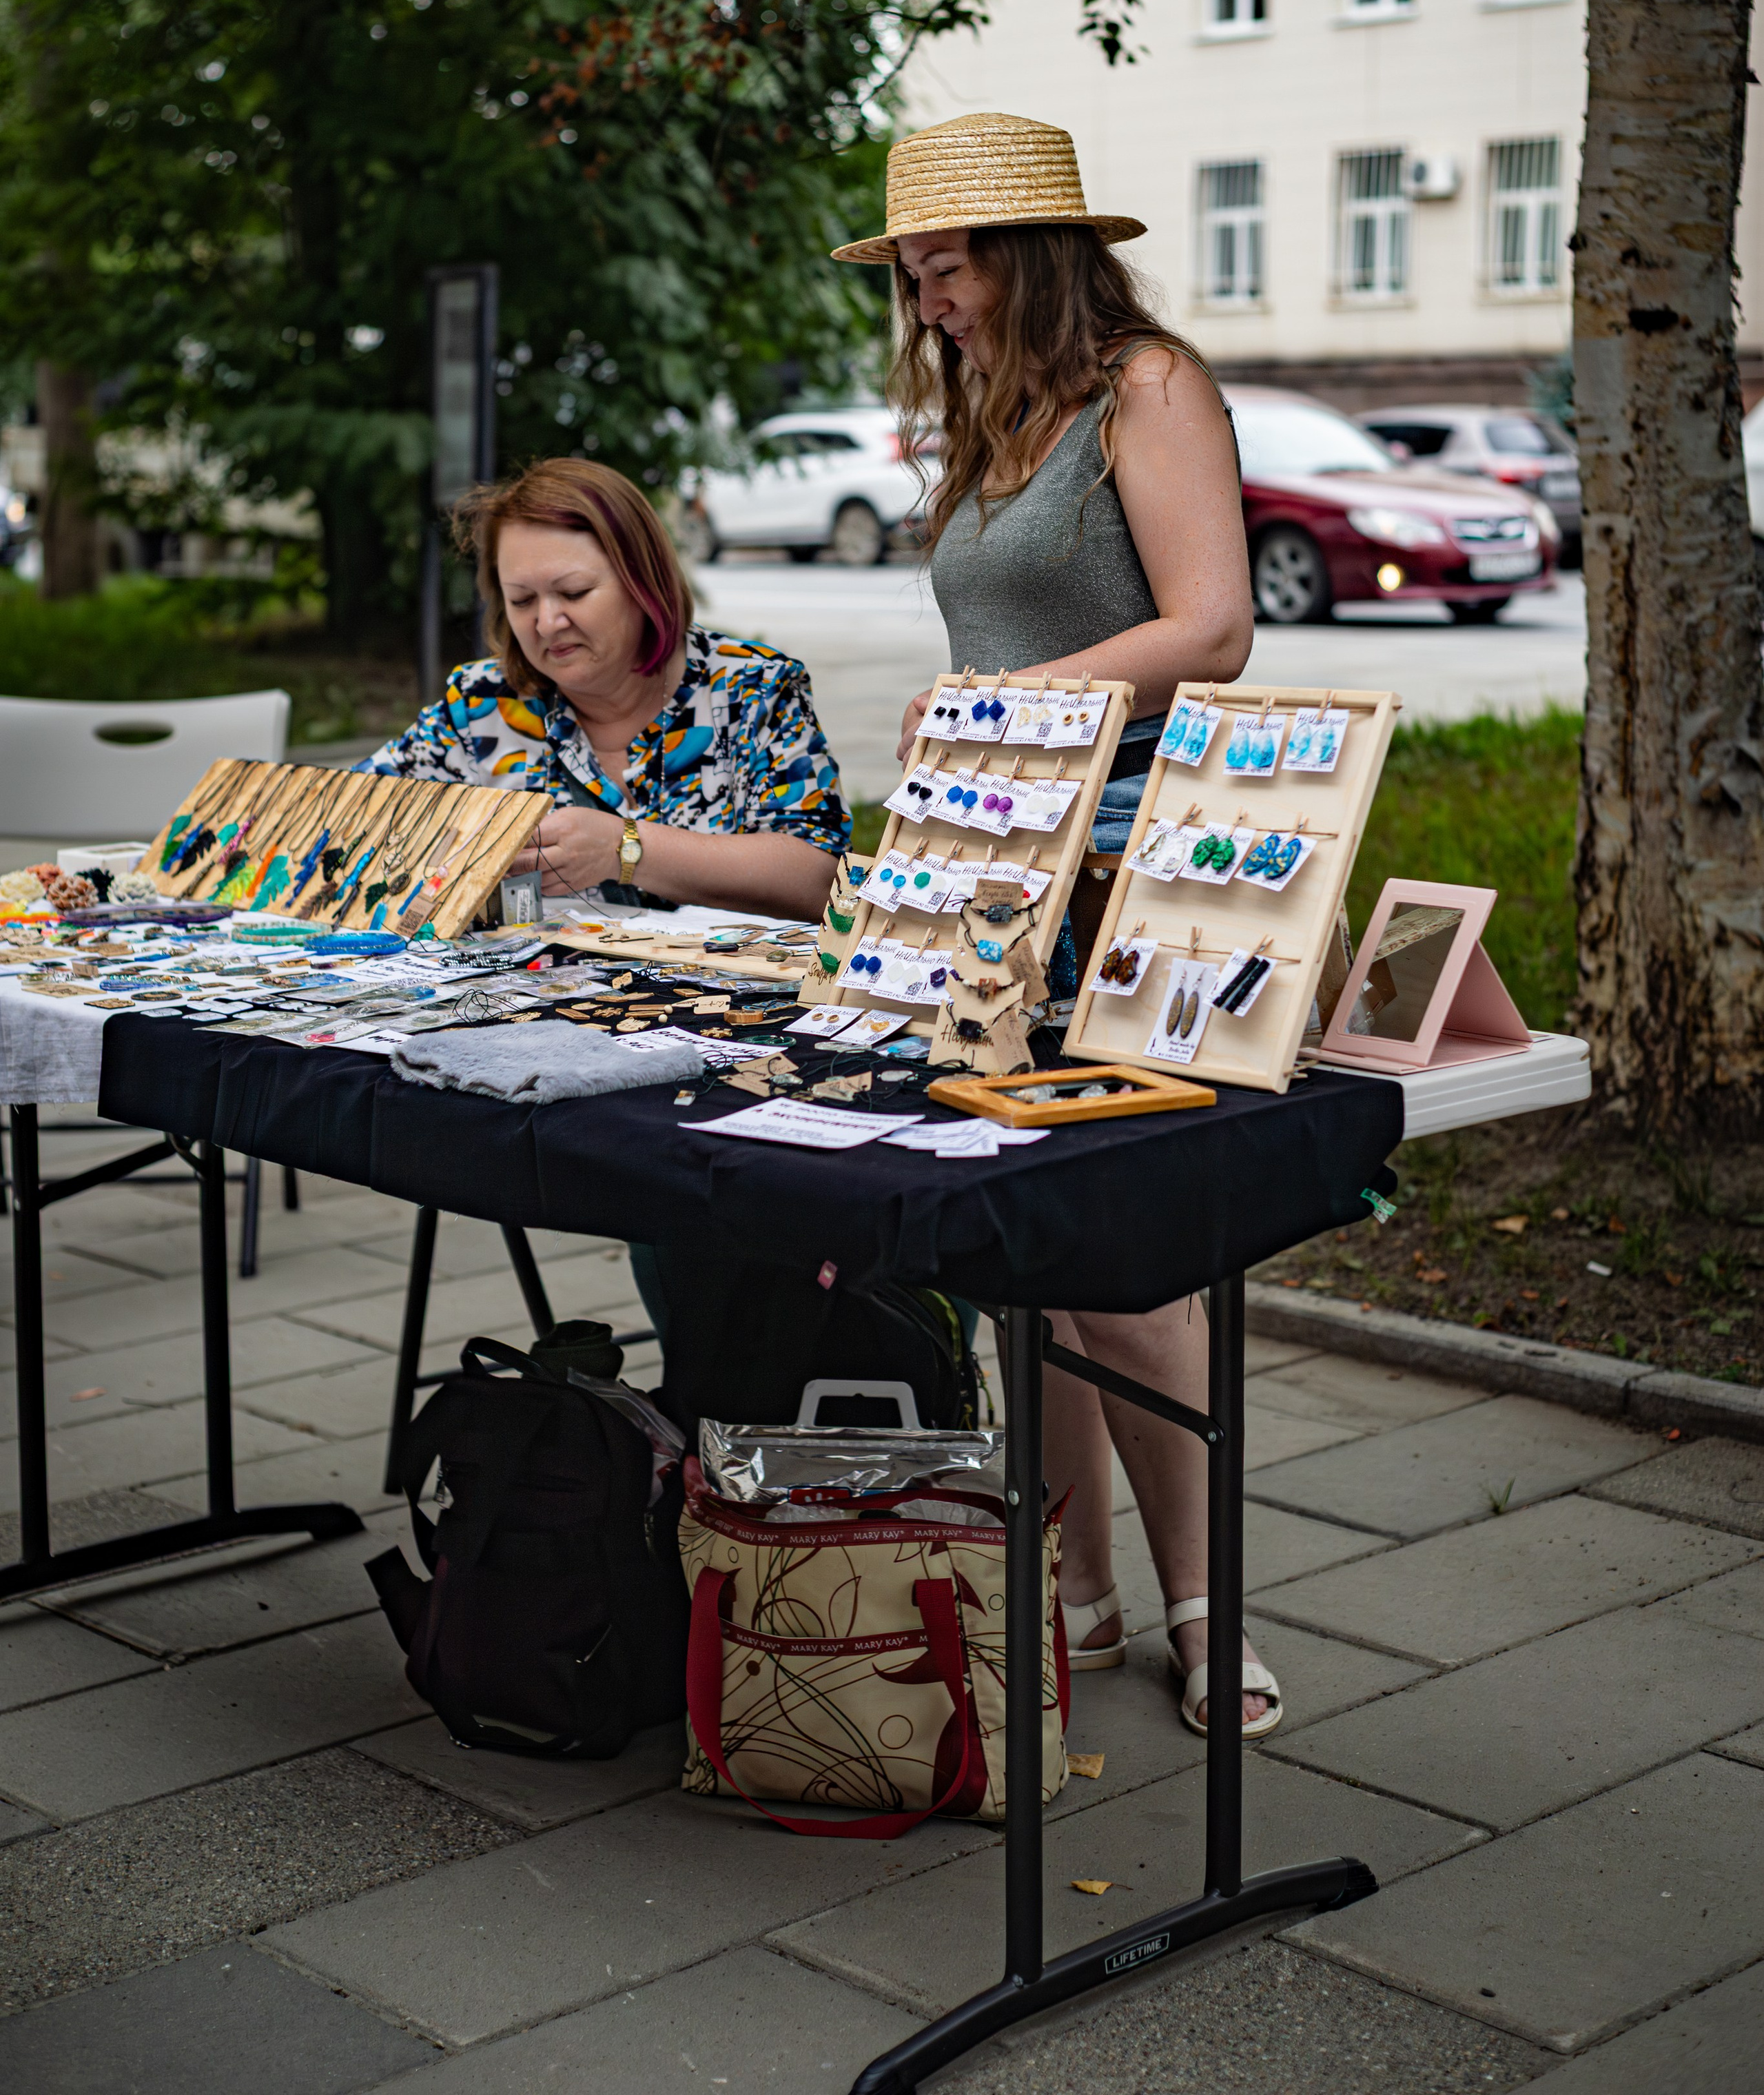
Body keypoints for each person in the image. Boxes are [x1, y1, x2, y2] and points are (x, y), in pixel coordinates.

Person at [831, 111, 1278, 1737]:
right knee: (1028, 1256)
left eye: (943, 265)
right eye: (912, 272)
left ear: (1026, 256)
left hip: (1141, 867)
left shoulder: (1142, 387)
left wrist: (998, 694)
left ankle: (1205, 1607)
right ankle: (1075, 1587)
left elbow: (1211, 624)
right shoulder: (997, 418)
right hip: (1000, 863)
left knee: (1126, 1262)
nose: (925, 299)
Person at [359, 457, 846, 922]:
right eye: (522, 600)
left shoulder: (752, 690)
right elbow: (348, 821)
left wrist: (624, 848)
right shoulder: (480, 704)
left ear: (643, 581)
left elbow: (819, 881)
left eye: (573, 593)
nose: (547, 623)